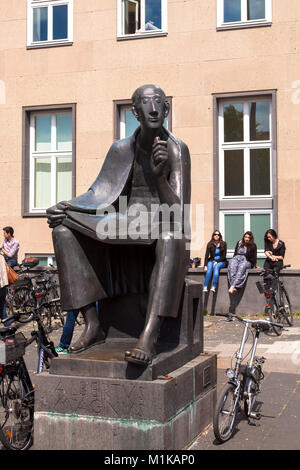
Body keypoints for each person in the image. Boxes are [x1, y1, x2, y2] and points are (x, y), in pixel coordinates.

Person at [47, 84, 191, 366]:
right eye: (146, 104)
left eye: (158, 103)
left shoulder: (176, 149)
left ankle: (149, 333)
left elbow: (178, 212)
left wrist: (159, 178)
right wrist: (65, 207)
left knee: (172, 233)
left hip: (163, 222)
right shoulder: (120, 149)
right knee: (64, 229)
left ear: (166, 108)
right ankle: (92, 324)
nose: (153, 109)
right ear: (135, 112)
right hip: (123, 220)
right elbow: (98, 193)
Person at [0, 251, 8, 321]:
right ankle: (7, 324)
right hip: (3, 284)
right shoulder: (1, 257)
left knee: (3, 305)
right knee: (2, 305)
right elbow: (4, 271)